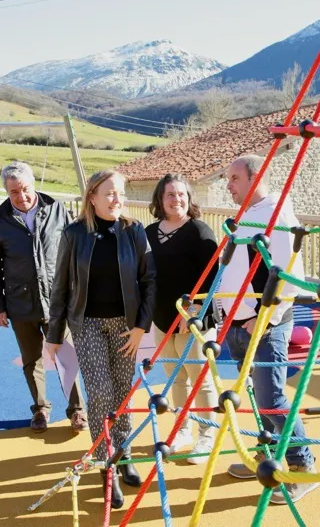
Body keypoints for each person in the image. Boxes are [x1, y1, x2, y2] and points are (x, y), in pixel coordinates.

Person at [45, 170, 155, 509]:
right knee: (101, 392)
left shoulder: (134, 231)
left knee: (123, 391)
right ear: (92, 196)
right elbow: (61, 285)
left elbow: (149, 279)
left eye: (120, 193)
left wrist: (140, 327)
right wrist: (54, 333)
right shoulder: (75, 234)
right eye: (109, 193)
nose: (116, 199)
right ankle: (105, 465)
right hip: (88, 323)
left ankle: (124, 456)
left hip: (126, 325)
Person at [218, 154, 318, 504]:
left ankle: (302, 467)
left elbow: (289, 278)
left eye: (234, 178)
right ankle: (269, 454)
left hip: (263, 325)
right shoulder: (246, 215)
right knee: (259, 400)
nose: (228, 185)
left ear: (254, 178)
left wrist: (263, 317)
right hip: (238, 322)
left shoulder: (278, 216)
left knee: (272, 399)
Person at [0, 161, 87, 434]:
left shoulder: (56, 209)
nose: (22, 196)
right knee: (31, 359)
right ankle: (40, 408)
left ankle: (77, 410)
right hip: (20, 303)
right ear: (7, 192)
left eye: (25, 189)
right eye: (14, 192)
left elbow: (74, 255)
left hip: (58, 301)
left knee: (67, 356)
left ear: (33, 184)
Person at [145, 173, 219, 463]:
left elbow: (213, 275)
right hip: (162, 317)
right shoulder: (150, 233)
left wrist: (196, 311)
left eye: (181, 195)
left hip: (194, 319)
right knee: (175, 378)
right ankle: (182, 429)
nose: (176, 200)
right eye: (170, 195)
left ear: (190, 199)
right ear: (160, 200)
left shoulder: (199, 231)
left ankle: (206, 436)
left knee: (201, 379)